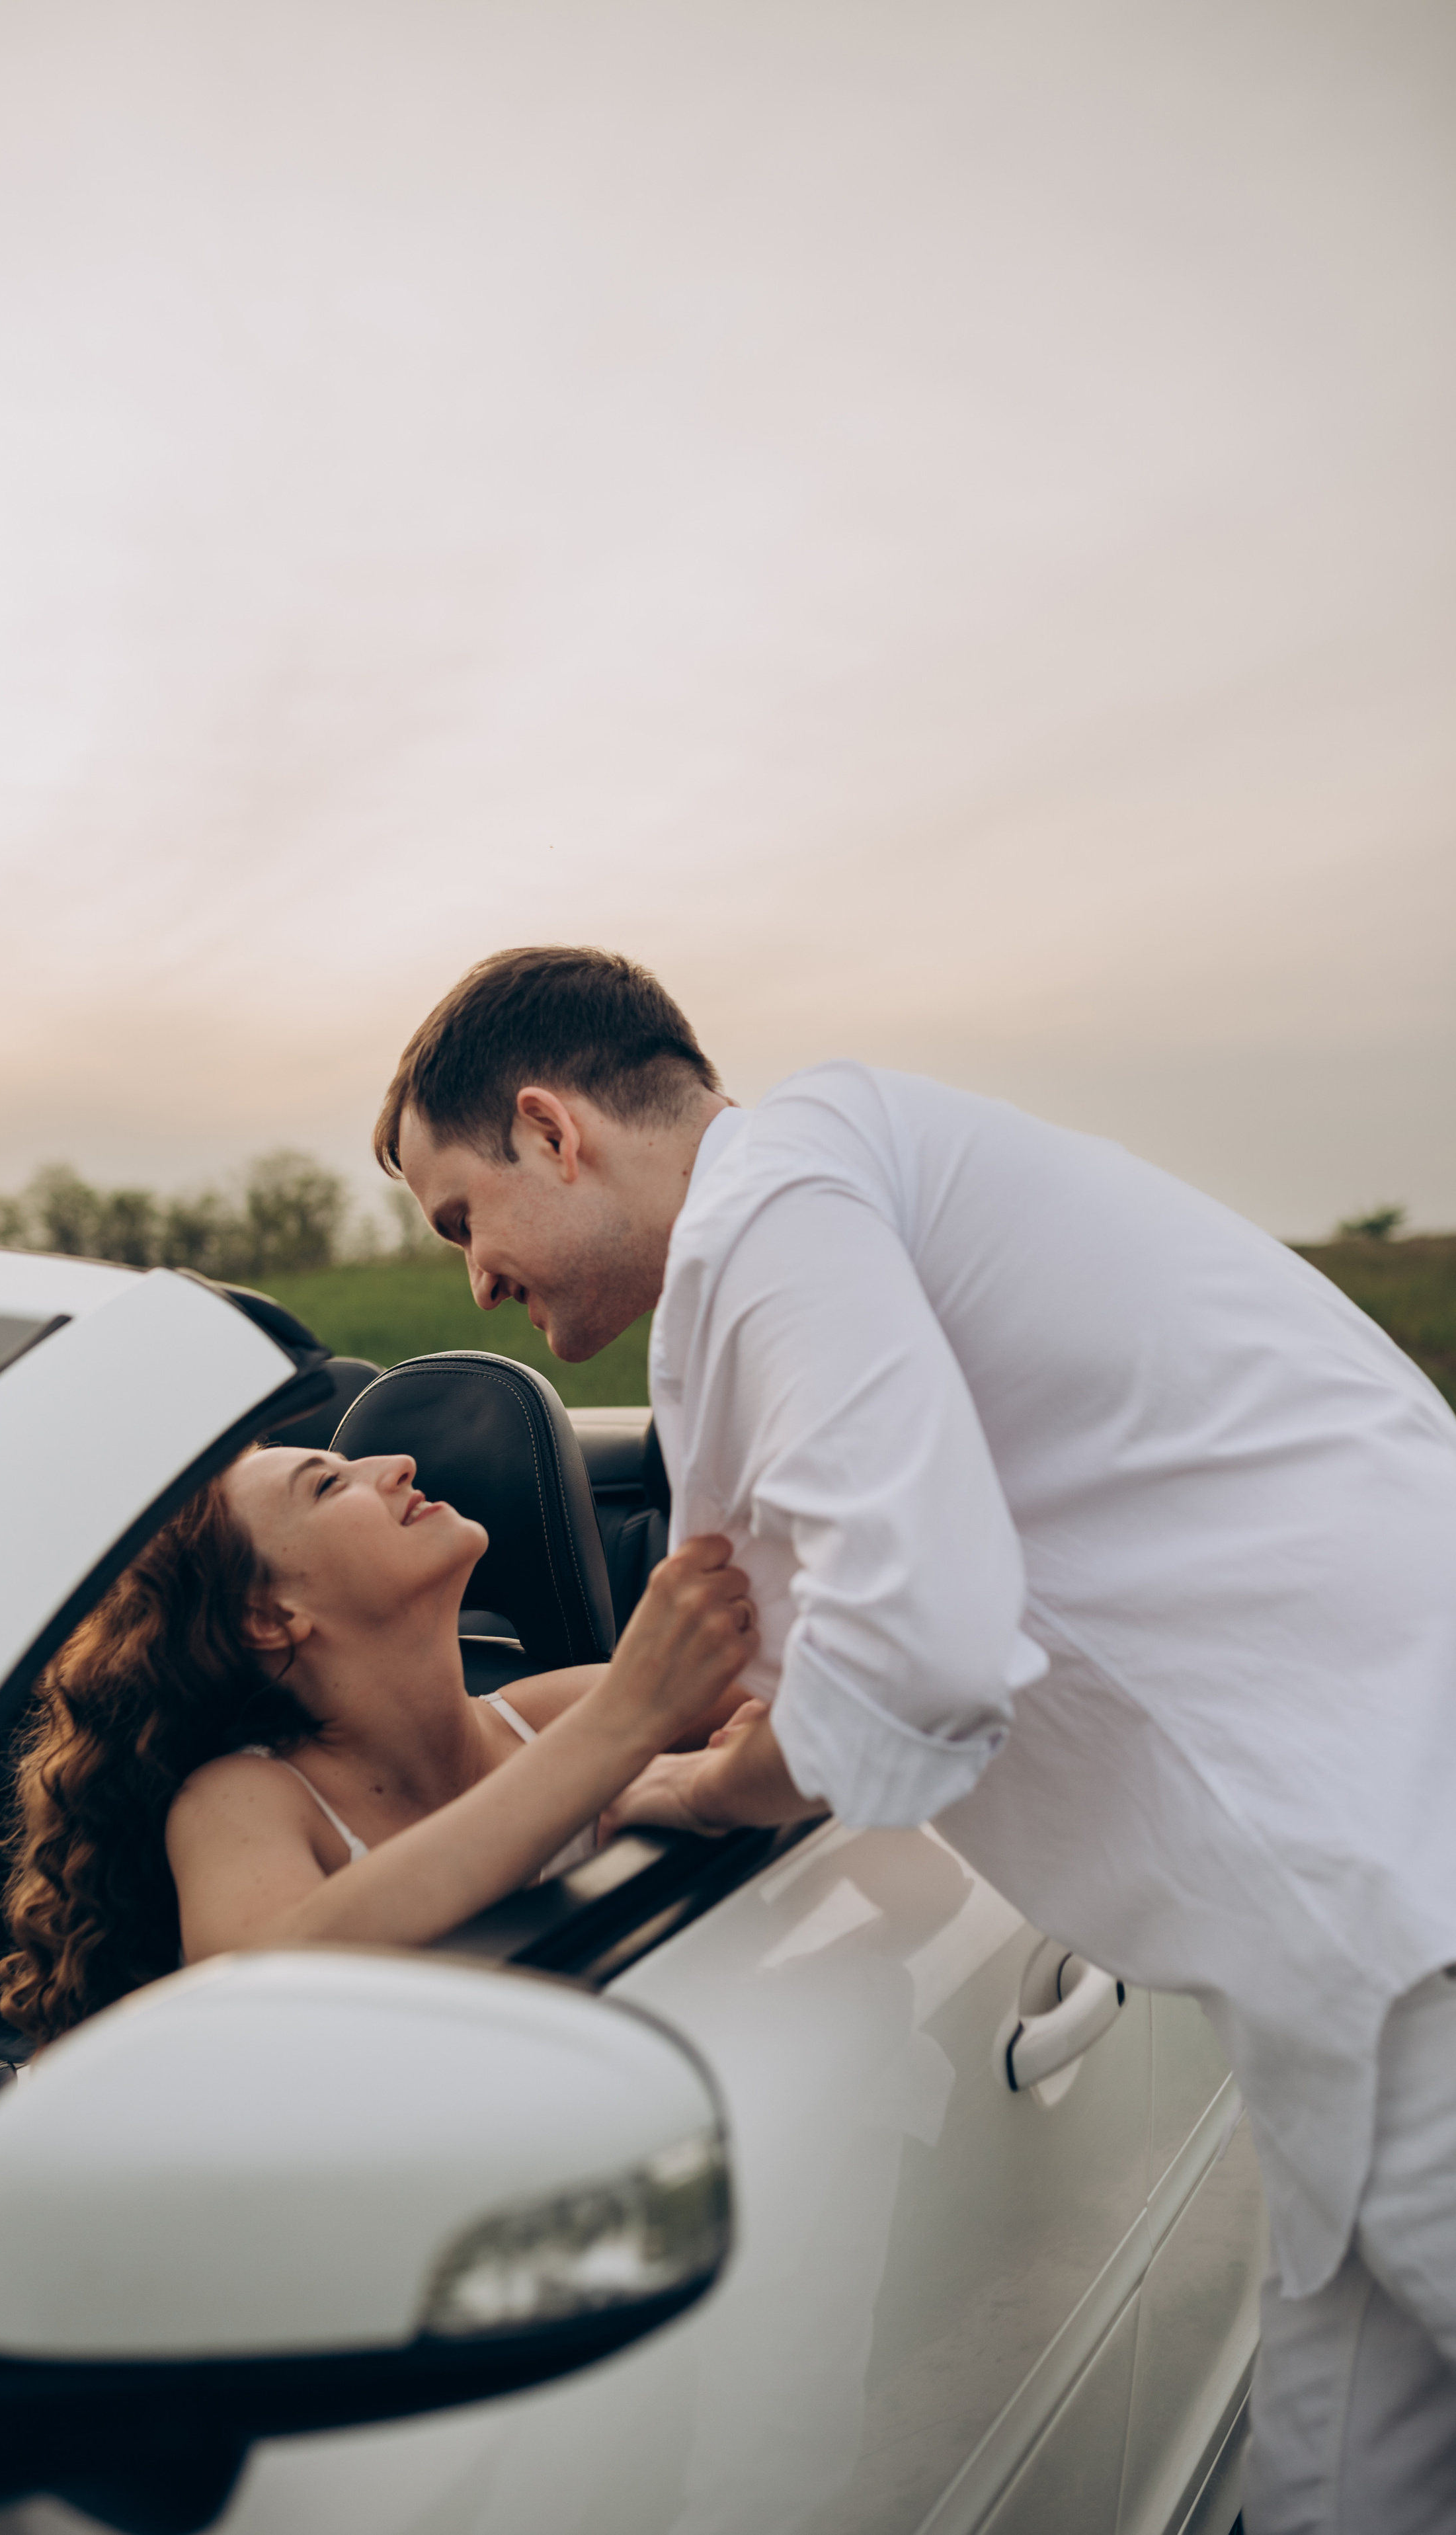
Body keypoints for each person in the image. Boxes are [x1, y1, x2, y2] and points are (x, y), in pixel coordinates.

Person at [382, 943, 1456, 2535]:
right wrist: (715, 1760)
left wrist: (684, 1773)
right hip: (1349, 1931)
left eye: (460, 1215)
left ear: (550, 1128)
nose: (469, 1278)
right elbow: (875, 1639)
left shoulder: (780, 1204)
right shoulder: (845, 1190)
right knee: (1345, 2450)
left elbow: (922, 1639)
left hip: (1399, 1874)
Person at [0, 1438, 754, 2044]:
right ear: (270, 1615)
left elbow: (838, 1698)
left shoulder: (548, 1714)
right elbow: (254, 1994)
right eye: (327, 1486)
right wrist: (623, 1724)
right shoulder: (242, 1798)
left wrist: (719, 1772)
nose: (399, 1464)